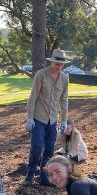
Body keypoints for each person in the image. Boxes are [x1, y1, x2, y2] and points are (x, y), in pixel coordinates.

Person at [24, 49, 70, 187]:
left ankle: (44, 177)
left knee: (49, 150)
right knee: (37, 147)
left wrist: (64, 120)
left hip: (53, 120)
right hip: (39, 118)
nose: (59, 67)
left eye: (62, 65)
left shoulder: (64, 78)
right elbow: (33, 97)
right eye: (57, 64)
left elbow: (64, 100)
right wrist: (29, 117)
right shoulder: (41, 75)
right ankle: (30, 173)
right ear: (51, 62)